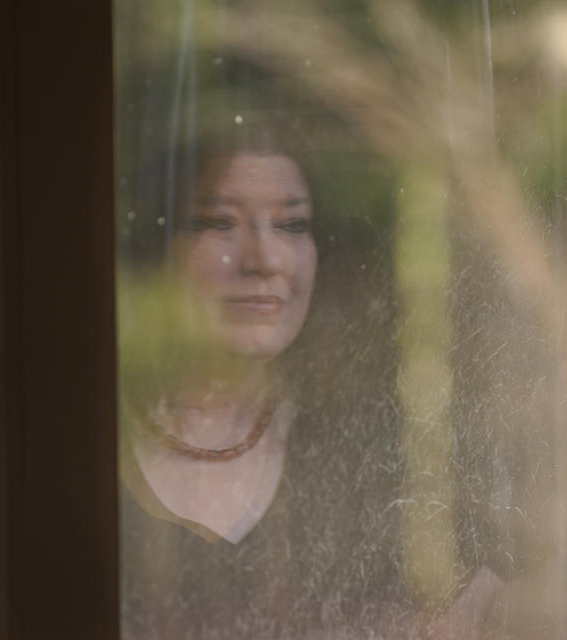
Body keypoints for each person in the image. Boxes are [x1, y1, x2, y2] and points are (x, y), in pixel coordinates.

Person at [118, 124, 413, 639]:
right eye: (219, 222)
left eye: (293, 225)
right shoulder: (61, 438)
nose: (265, 261)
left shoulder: (366, 453)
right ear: (156, 243)